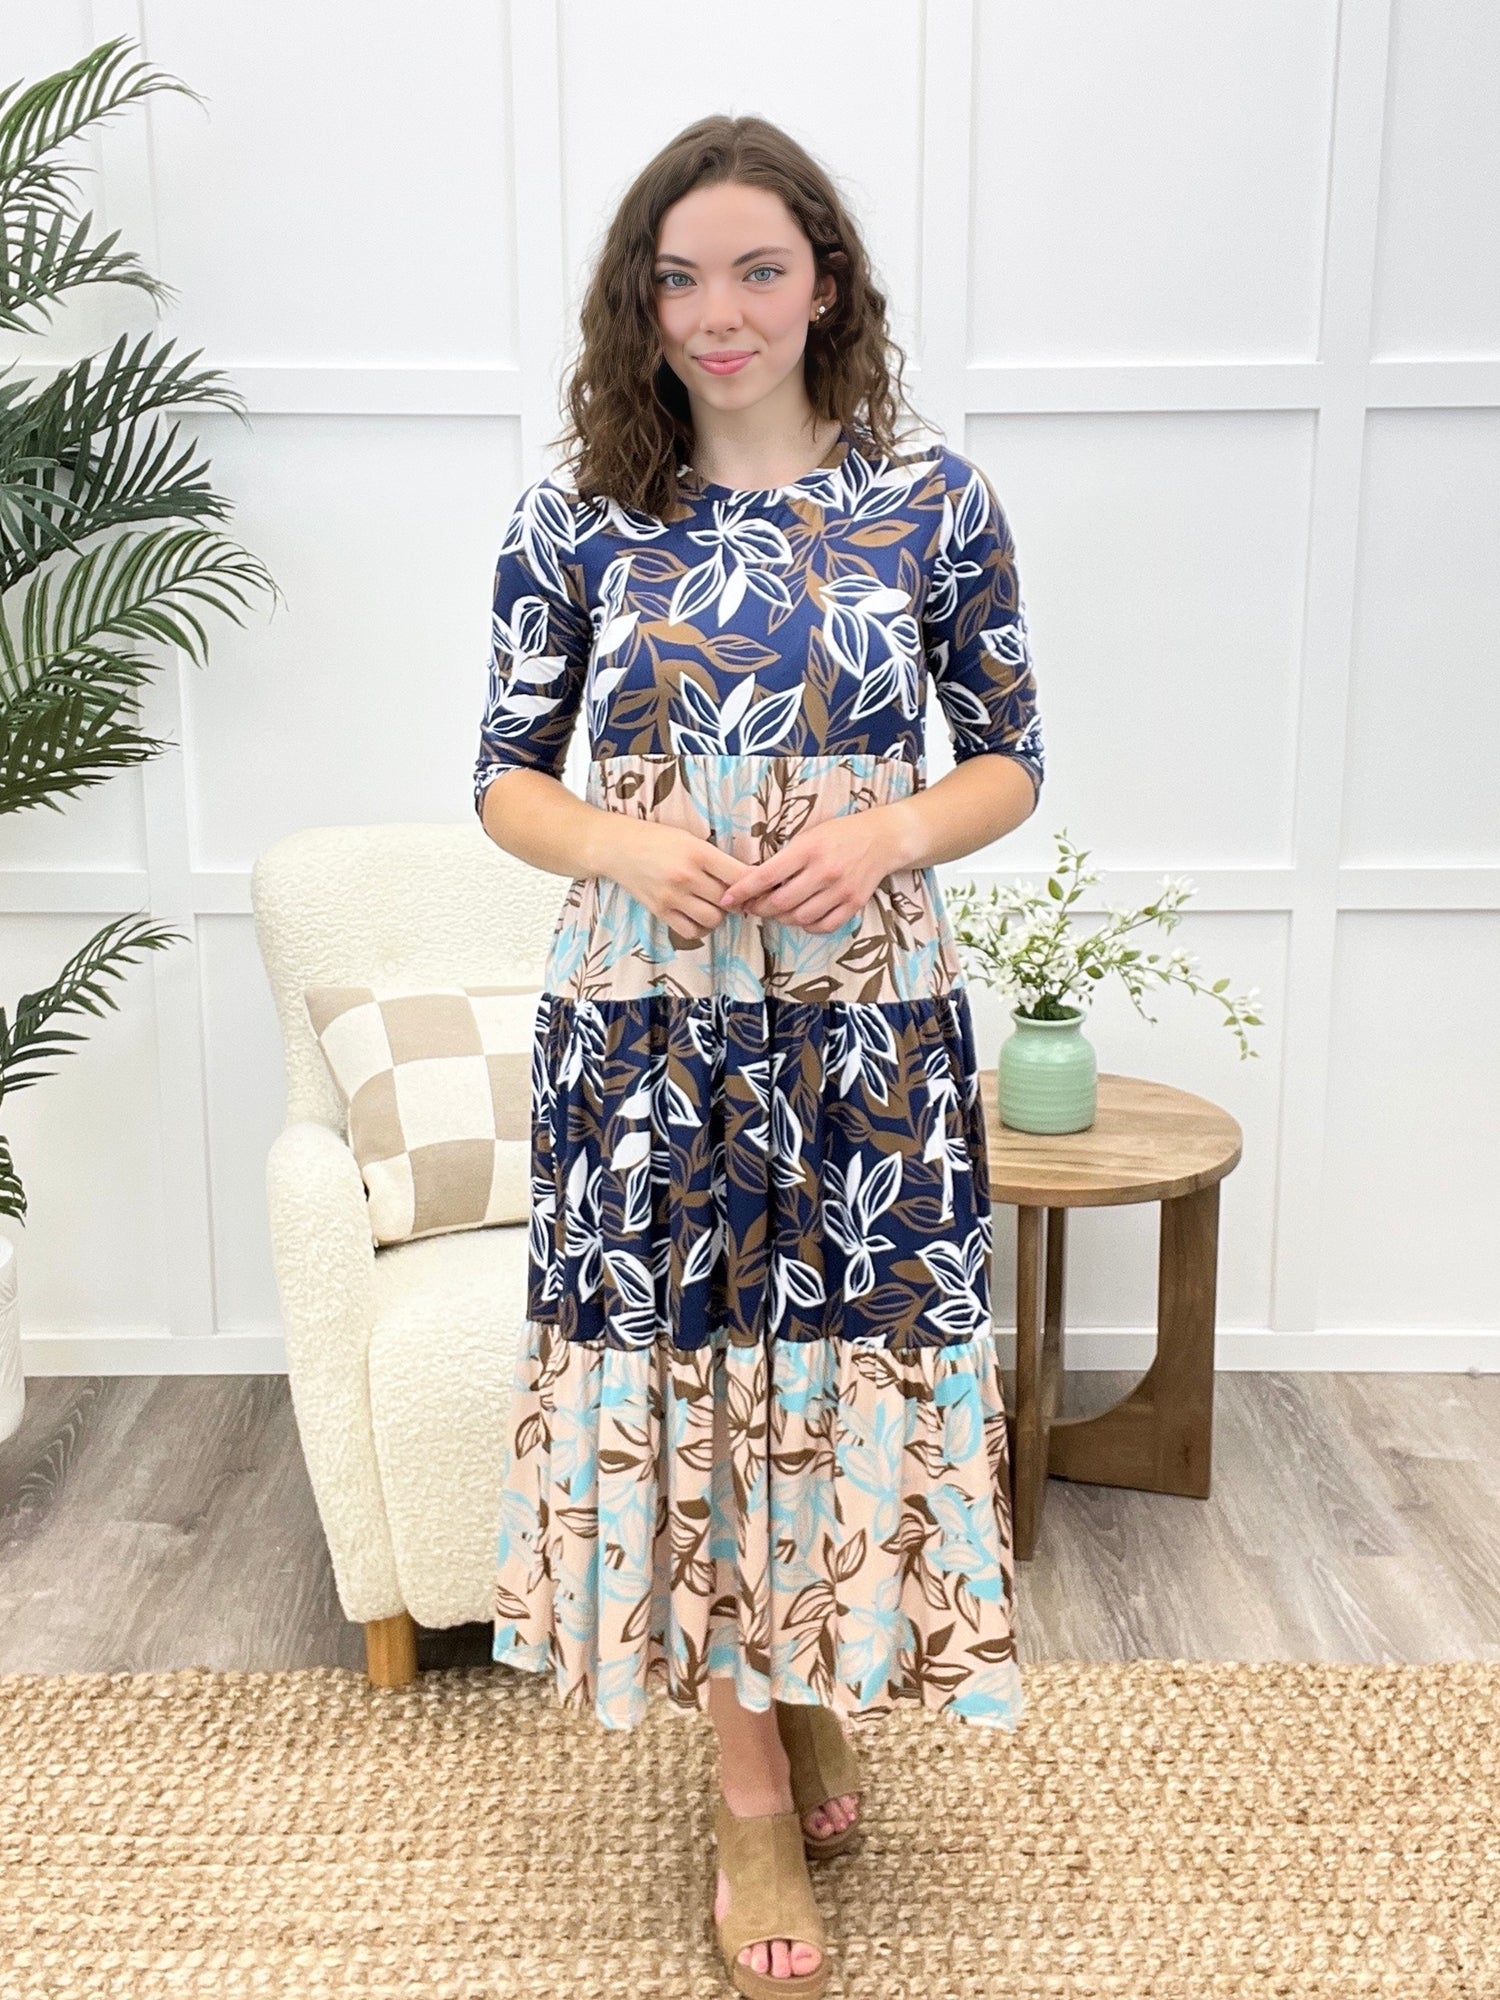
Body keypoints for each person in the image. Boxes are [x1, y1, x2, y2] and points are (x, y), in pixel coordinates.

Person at [474, 112, 1044, 2000]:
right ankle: (743, 1794)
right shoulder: (577, 520)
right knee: (698, 1374)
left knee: (836, 1364)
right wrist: (625, 844)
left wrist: (887, 833)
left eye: (757, 271)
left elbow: (1010, 759)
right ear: (637, 306)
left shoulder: (933, 503)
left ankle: (808, 1680)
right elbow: (504, 782)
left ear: (826, 287)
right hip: (648, 1021)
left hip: (862, 1016)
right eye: (678, 278)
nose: (717, 313)